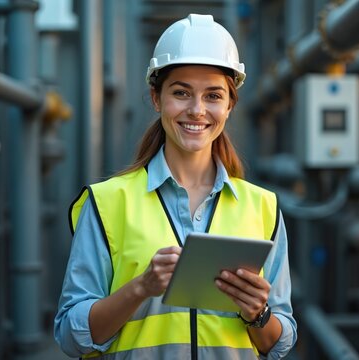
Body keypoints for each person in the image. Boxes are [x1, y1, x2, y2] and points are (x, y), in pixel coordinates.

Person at [54, 13, 297, 359]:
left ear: (229, 105)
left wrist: (258, 313)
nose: (197, 110)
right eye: (181, 93)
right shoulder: (107, 203)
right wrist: (140, 288)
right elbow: (70, 335)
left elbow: (280, 342)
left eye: (213, 96)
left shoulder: (263, 207)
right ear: (157, 99)